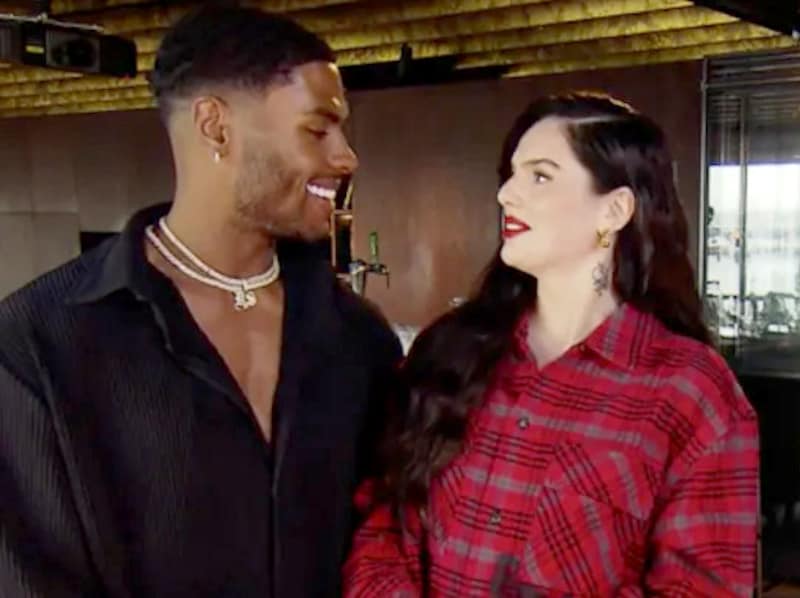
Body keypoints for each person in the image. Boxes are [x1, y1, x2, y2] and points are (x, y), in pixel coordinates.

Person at [0, 5, 401, 597]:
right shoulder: (37, 344)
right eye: (318, 130)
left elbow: (389, 540)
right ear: (215, 126)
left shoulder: (360, 339)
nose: (346, 157)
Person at [343, 92, 759, 597]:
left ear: (615, 210)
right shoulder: (449, 351)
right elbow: (382, 525)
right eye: (510, 175)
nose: (506, 195)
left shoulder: (692, 393)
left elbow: (702, 588)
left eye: (540, 176)